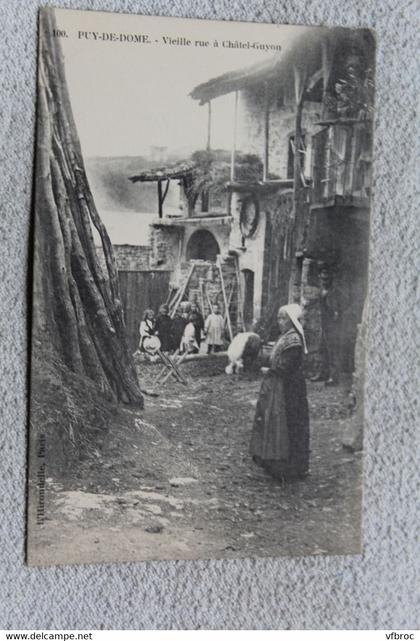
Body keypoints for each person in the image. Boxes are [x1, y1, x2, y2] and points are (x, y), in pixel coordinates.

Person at [250, 304, 310, 481]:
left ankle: (292, 467)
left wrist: (269, 370)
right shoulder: (285, 338)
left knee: (291, 425)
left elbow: (286, 366)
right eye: (278, 318)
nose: (279, 322)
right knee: (277, 424)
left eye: (283, 318)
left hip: (291, 388)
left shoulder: (294, 341)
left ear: (292, 321)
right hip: (281, 386)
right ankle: (276, 463)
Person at [311, 268, 342, 385]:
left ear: (331, 279)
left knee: (332, 351)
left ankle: (334, 377)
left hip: (332, 326)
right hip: (323, 325)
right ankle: (322, 374)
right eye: (323, 279)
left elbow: (337, 310)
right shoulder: (321, 291)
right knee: (322, 350)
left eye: (327, 279)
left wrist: (335, 316)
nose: (324, 281)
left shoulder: (334, 292)